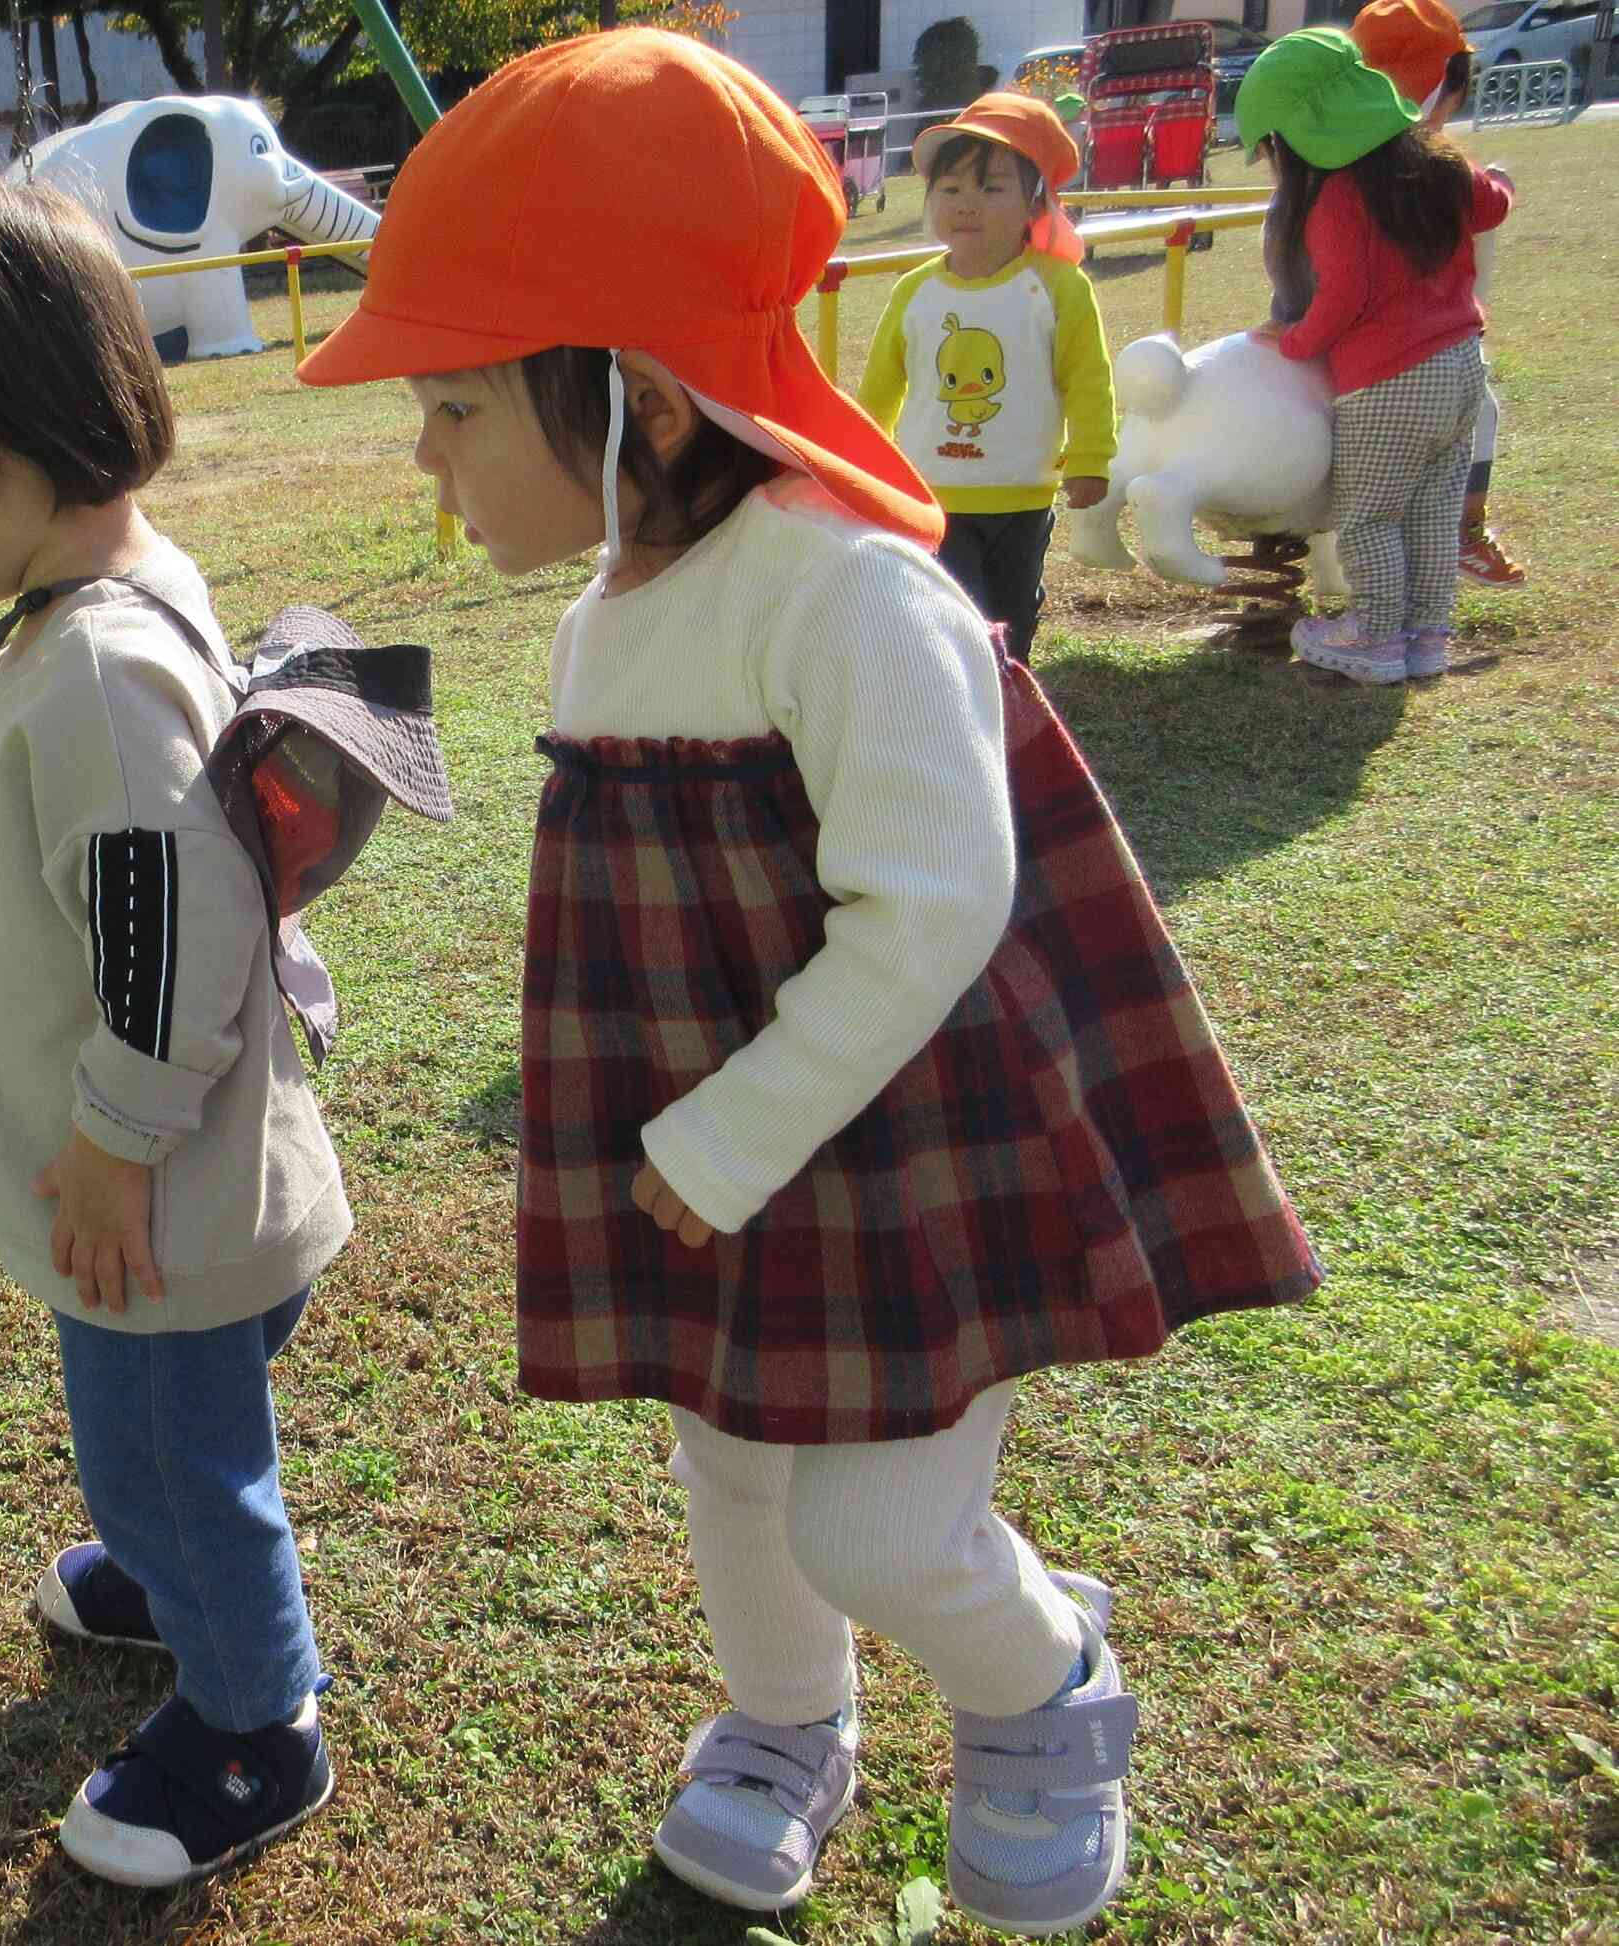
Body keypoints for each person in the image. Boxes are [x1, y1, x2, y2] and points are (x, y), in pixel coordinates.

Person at [296, 30, 1320, 1934]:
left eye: (451, 406)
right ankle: (783, 1720)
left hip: (889, 1133)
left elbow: (930, 904)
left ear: (648, 404)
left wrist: (732, 1126)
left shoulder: (846, 595)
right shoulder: (608, 617)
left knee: (869, 1513)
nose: (421, 453)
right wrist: (685, 1132)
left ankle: (1042, 1691)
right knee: (731, 1458)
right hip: (716, 1140)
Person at [0, 168, 346, 1887]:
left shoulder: (100, 670)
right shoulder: (88, 599)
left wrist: (107, 1150)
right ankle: (161, 1558)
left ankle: (256, 1722)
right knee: (159, 1439)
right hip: (151, 1179)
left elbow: (171, 938)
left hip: (152, 1193)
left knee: (171, 1441)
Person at [1243, 27, 1512, 682]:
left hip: (1386, 382)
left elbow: (1343, 298)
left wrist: (1295, 340)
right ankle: (1426, 634)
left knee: (1370, 515)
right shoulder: (1438, 165)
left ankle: (1373, 633)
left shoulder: (1337, 199)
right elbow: (1493, 203)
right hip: (1461, 367)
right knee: (1432, 511)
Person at [857, 93, 1114, 662]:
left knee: (1013, 610)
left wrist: (1092, 459)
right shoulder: (915, 291)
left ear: (1034, 203)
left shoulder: (1058, 288)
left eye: (992, 188)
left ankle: (1011, 699)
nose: (967, 204)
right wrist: (862, 464)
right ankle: (957, 696)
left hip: (1024, 490)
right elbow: (880, 387)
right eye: (950, 189)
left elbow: (1087, 380)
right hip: (933, 489)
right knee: (956, 608)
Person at [1349, 0, 1526, 589]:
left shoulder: (1338, 155)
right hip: (1417, 355)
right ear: (1445, 86)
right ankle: (1457, 539)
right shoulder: (1436, 162)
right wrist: (1497, 180)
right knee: (1476, 416)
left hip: (1341, 340)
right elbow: (1492, 203)